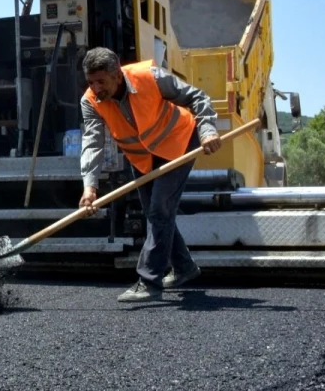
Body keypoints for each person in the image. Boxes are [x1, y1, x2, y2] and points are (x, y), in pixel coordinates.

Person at [78, 47, 222, 303]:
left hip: (178, 143)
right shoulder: (90, 101)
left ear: (117, 75)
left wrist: (208, 130)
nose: (96, 88)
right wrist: (89, 186)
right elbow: (92, 142)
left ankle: (149, 281)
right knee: (157, 214)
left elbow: (197, 97)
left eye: (101, 81)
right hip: (143, 157)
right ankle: (184, 268)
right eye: (91, 82)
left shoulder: (150, 77)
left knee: (159, 210)